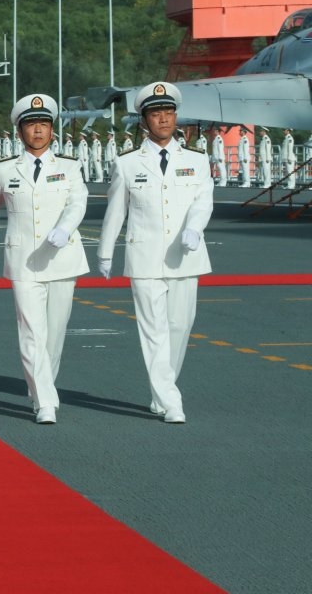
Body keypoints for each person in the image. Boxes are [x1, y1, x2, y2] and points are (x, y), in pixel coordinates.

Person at [0, 94, 89, 425]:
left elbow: (78, 204)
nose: (38, 131)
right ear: (20, 131)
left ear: (52, 131)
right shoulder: (6, 170)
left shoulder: (70, 167)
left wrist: (64, 228)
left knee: (55, 334)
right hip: (23, 261)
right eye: (31, 125)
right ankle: (45, 401)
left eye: (44, 125)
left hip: (62, 258)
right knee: (31, 331)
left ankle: (40, 386)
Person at [98, 82, 213, 424]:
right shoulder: (128, 163)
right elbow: (116, 211)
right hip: (145, 257)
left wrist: (194, 228)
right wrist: (105, 252)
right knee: (154, 332)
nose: (163, 119)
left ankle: (161, 391)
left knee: (180, 327)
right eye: (155, 114)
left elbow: (203, 200)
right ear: (144, 121)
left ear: (175, 117)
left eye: (168, 112)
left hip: (185, 254)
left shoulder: (197, 159)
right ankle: (171, 401)